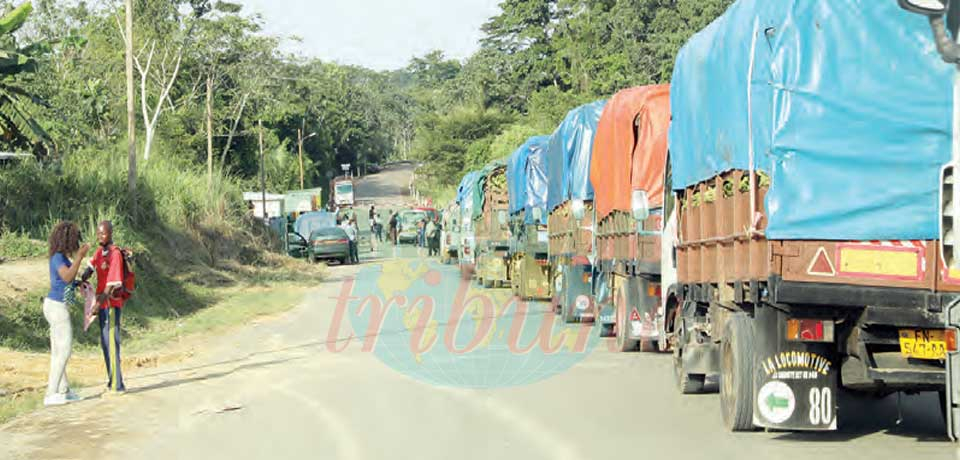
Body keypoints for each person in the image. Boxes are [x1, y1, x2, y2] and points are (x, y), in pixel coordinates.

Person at [43, 221, 90, 406]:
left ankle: (63, 390)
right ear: (67, 240)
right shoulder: (57, 258)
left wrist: (80, 284)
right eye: (74, 241)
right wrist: (80, 257)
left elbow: (67, 281)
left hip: (56, 306)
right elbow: (66, 276)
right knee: (64, 350)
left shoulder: (61, 257)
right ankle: (51, 393)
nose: (76, 244)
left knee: (58, 351)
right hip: (56, 307)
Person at [80, 221, 128, 393]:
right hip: (102, 305)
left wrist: (97, 304)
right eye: (98, 234)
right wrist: (82, 278)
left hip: (111, 305)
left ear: (111, 233)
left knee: (112, 342)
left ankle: (118, 384)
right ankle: (112, 379)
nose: (100, 236)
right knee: (105, 343)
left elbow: (111, 285)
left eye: (103, 233)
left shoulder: (115, 254)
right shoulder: (100, 252)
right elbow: (90, 268)